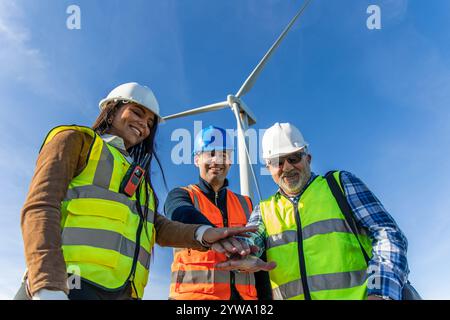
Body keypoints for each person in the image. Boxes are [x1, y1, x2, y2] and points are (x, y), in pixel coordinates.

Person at [15, 82, 255, 300]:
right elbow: (41, 207)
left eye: (150, 123)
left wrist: (203, 234)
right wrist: (47, 284)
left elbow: (158, 227)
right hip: (68, 286)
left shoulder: (140, 181)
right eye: (137, 112)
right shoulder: (76, 141)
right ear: (111, 109)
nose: (144, 125)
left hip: (123, 293)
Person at [216, 122, 409, 300]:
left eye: (294, 158)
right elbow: (251, 240)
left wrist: (381, 292)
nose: (287, 167)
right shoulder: (264, 210)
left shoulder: (339, 185)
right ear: (269, 168)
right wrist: (241, 253)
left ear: (308, 158)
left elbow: (387, 235)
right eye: (277, 162)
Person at [165, 126, 272, 300]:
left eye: (224, 155)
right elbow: (181, 214)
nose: (217, 160)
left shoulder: (246, 203)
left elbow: (259, 257)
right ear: (196, 159)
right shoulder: (181, 196)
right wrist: (215, 235)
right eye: (211, 153)